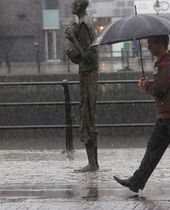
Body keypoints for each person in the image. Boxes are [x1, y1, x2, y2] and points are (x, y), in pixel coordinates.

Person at [113, 35, 170, 195]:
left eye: (151, 43)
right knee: (154, 150)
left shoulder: (166, 64)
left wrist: (147, 85)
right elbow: (161, 87)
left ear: (160, 44)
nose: (149, 47)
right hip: (167, 115)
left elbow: (160, 90)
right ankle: (136, 181)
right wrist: (150, 84)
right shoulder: (165, 62)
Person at [65, 0, 99, 172]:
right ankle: (93, 162)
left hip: (88, 75)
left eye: (75, 3)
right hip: (88, 73)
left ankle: (92, 163)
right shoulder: (85, 21)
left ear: (80, 6)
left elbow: (88, 57)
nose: (72, 5)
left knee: (86, 115)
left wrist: (73, 39)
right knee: (88, 114)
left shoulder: (84, 24)